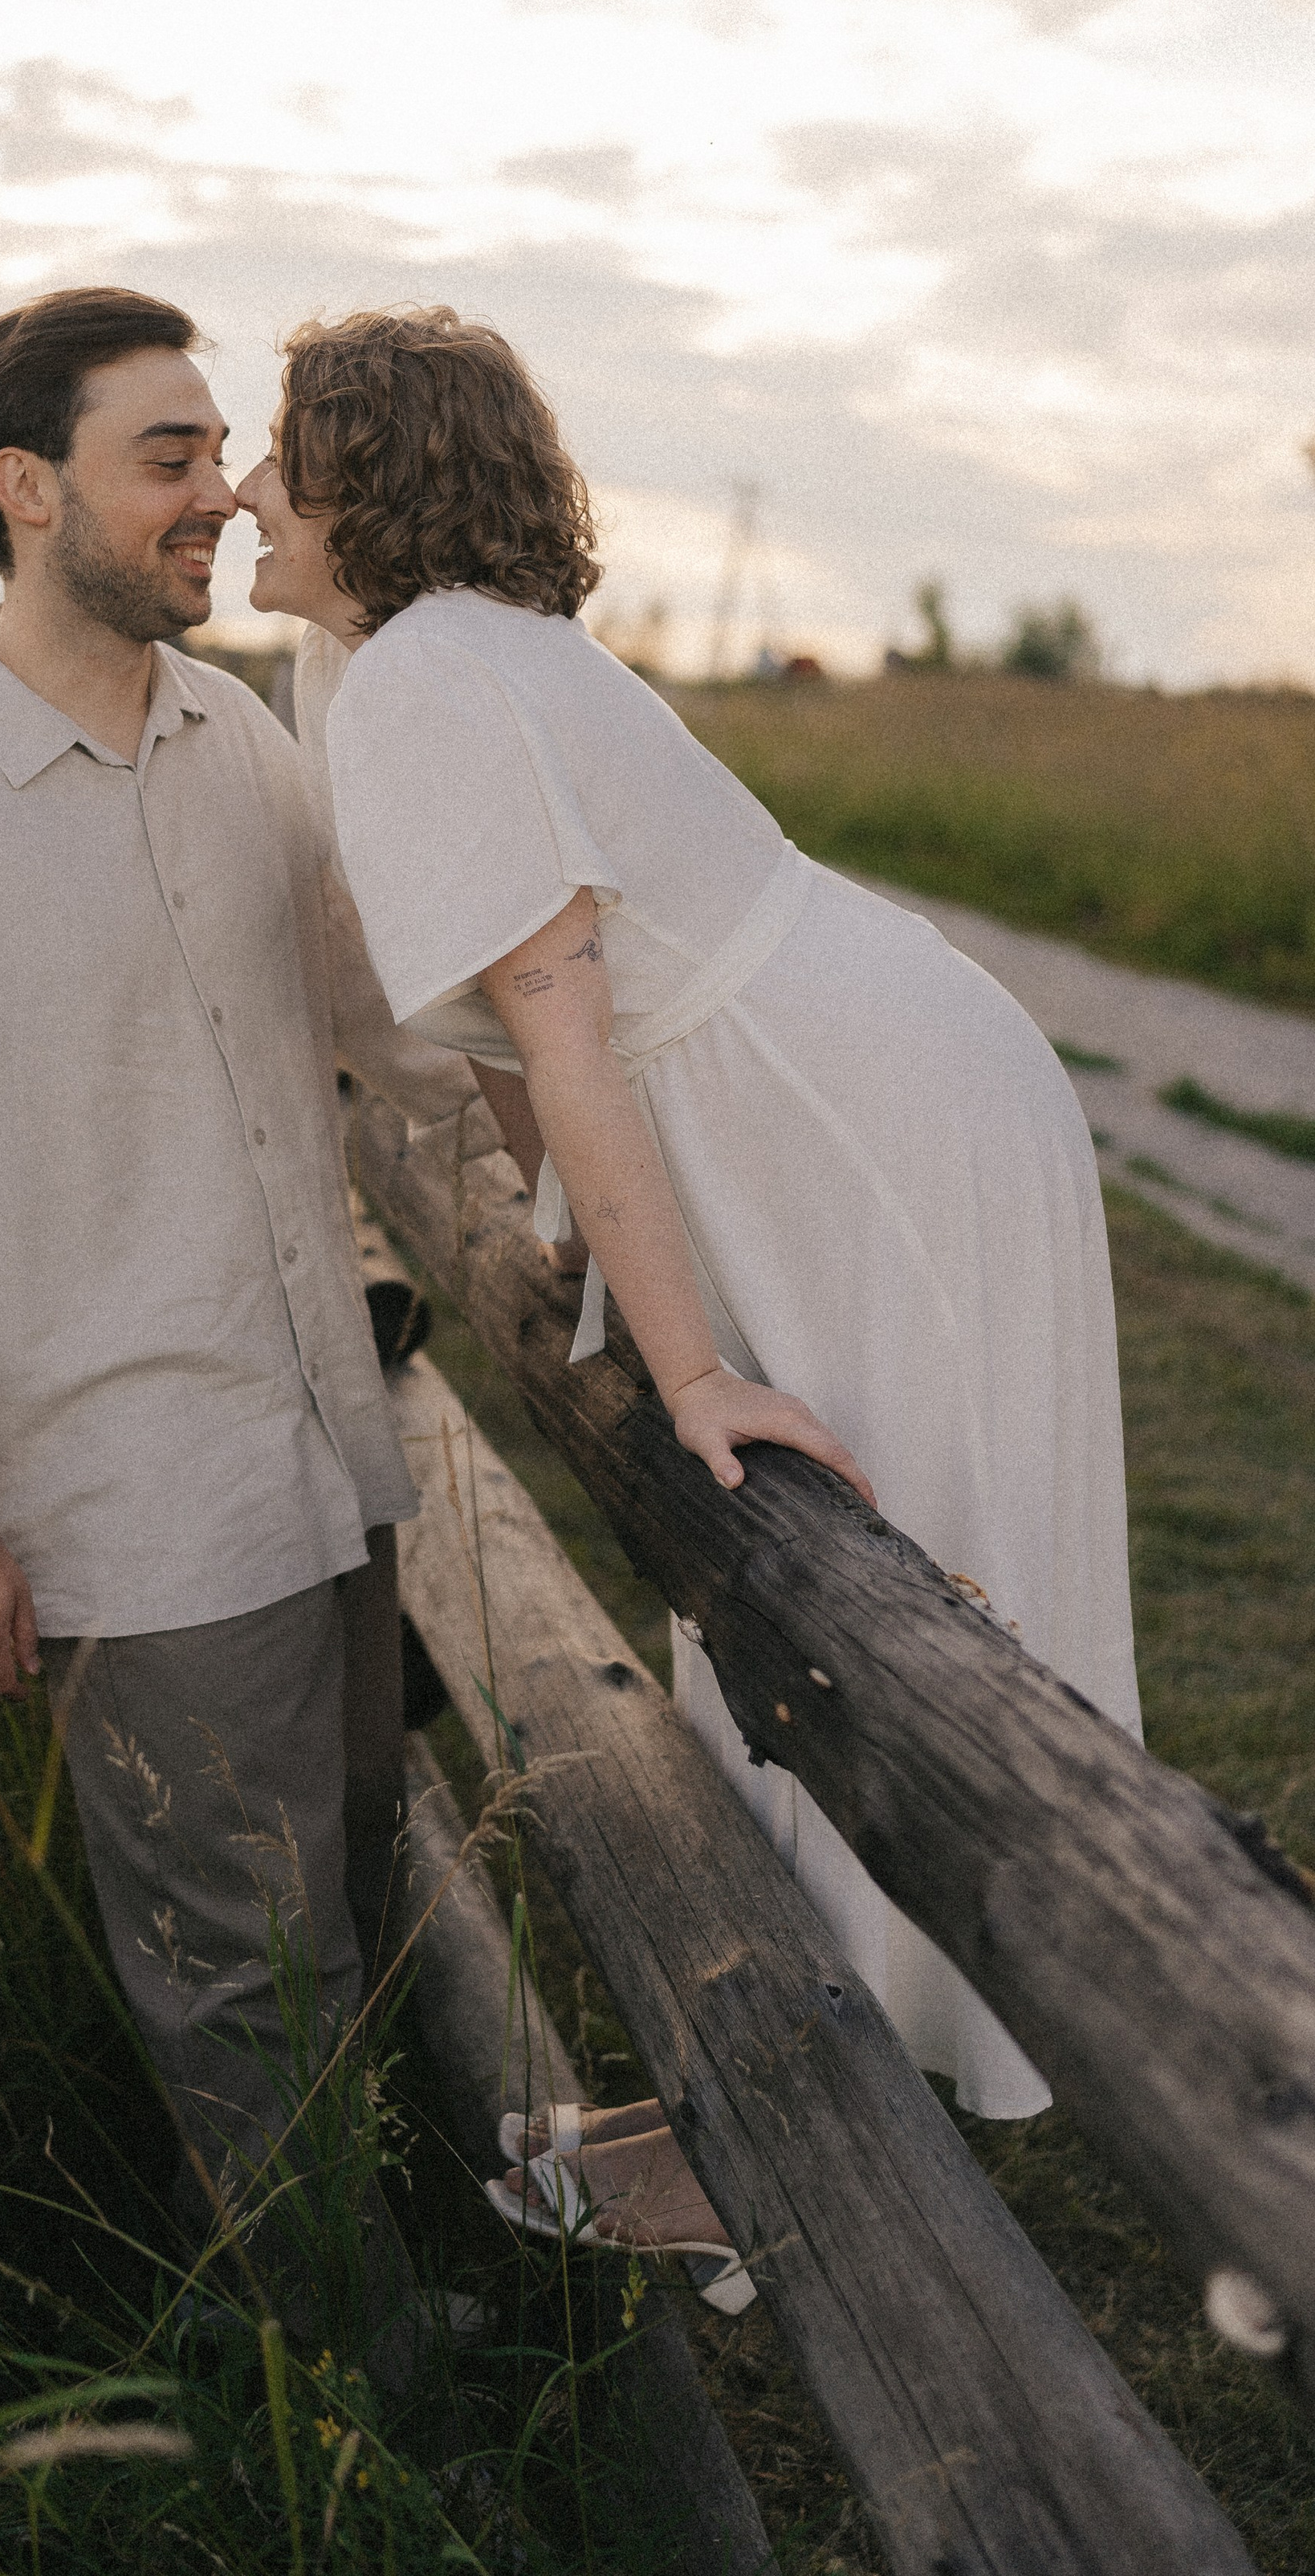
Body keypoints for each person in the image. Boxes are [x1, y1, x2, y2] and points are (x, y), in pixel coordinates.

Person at [238, 303, 1142, 2126]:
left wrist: (684, 1364)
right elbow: (493, 1018)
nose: (250, 486)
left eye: (282, 455)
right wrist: (593, 1255)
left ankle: (844, 2105)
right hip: (797, 1098)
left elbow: (561, 1017)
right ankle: (775, 2106)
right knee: (779, 1591)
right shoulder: (361, 679)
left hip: (867, 1113)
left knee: (871, 1563)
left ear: (366, 485)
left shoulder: (428, 673)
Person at [0, 286, 477, 2261]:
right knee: (246, 1992)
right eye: (166, 459)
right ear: (25, 489)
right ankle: (346, 2431)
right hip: (139, 1528)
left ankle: (368, 2344)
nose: (221, 496)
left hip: (323, 1472)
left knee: (340, 1905)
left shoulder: (239, 745)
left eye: (210, 452)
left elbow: (397, 1045)